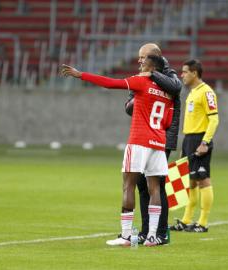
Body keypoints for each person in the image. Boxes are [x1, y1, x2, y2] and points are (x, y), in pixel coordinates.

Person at [61, 54, 174, 247]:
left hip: (139, 140)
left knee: (128, 185)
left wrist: (82, 75)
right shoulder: (168, 91)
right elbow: (168, 122)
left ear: (152, 67)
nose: (140, 63)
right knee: (155, 187)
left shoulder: (141, 81)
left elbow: (111, 83)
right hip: (158, 142)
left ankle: (126, 236)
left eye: (144, 61)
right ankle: (153, 237)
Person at [124, 43, 182, 245]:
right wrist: (137, 101)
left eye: (143, 57)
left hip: (161, 138)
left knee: (157, 185)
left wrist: (151, 75)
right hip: (143, 136)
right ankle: (147, 231)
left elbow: (176, 88)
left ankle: (162, 232)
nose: (139, 61)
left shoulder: (169, 74)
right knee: (141, 184)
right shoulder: (140, 75)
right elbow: (128, 107)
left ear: (155, 57)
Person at [170, 59, 219, 232]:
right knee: (190, 181)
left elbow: (214, 118)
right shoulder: (192, 93)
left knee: (203, 179)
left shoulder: (206, 92)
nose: (181, 75)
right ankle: (186, 220)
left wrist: (205, 142)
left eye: (184, 72)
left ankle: (203, 223)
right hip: (189, 140)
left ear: (194, 73)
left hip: (200, 139)